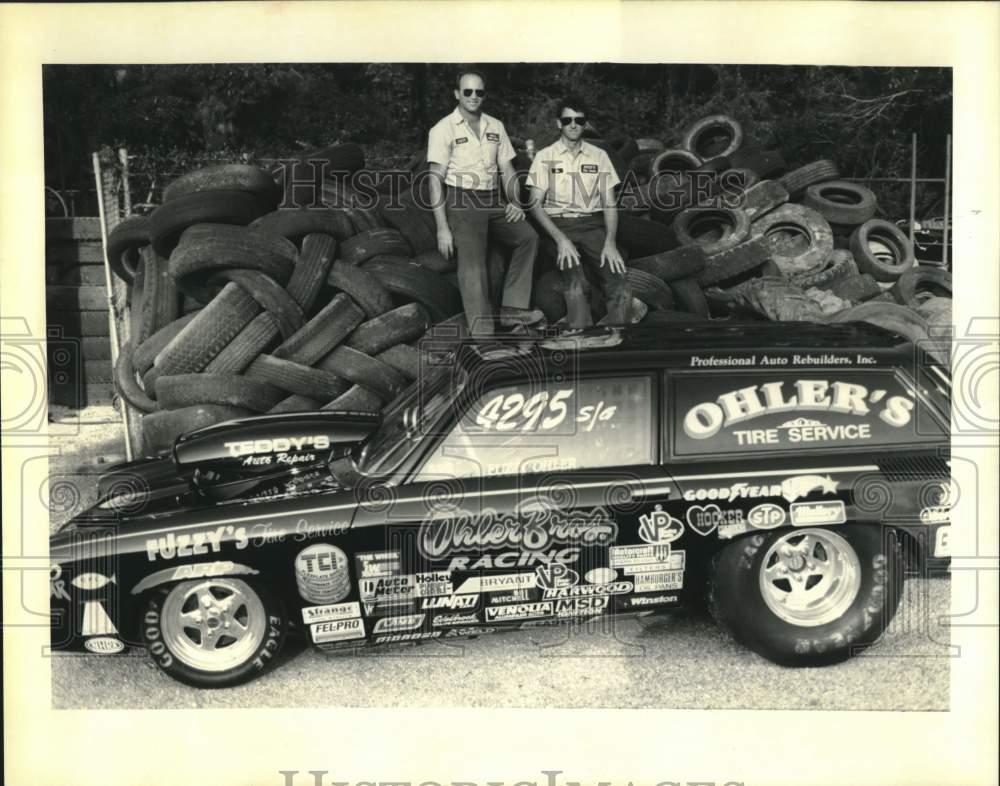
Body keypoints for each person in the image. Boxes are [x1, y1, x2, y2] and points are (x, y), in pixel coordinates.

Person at [427, 71, 541, 335]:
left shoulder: (495, 126)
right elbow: (434, 180)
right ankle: (483, 336)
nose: (474, 97)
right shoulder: (443, 129)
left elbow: (507, 169)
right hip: (462, 199)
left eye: (479, 92)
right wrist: (442, 228)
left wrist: (515, 201)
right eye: (468, 92)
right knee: (473, 267)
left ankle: (513, 310)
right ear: (457, 94)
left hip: (493, 199)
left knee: (529, 237)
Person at [526, 96, 630, 327]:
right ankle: (580, 337)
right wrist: (561, 240)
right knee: (576, 280)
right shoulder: (545, 157)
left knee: (617, 279)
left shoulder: (599, 156)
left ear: (585, 123)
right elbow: (534, 204)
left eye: (579, 120)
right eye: (567, 120)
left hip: (592, 226)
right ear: (558, 124)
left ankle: (617, 335)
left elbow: (609, 204)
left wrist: (610, 242)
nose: (573, 125)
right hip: (559, 226)